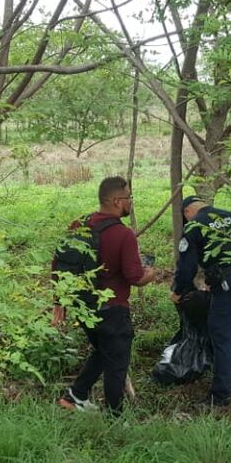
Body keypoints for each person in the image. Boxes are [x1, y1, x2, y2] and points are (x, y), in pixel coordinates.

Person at [53, 176, 158, 414]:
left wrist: (58, 302)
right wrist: (150, 274)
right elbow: (134, 276)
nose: (131, 202)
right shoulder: (124, 234)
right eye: (129, 197)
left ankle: (75, 396)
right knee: (117, 365)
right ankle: (115, 418)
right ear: (116, 201)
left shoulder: (79, 224)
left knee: (103, 352)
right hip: (112, 309)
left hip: (84, 307)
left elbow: (58, 262)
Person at [170, 195, 231, 407]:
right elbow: (229, 251)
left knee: (220, 333)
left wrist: (178, 290)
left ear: (187, 213)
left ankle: (220, 395)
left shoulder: (194, 227)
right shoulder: (230, 216)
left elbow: (187, 268)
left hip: (229, 284)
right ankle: (230, 365)